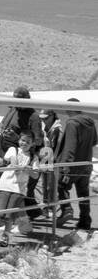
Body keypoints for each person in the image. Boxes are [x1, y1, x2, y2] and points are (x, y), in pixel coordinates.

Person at [0, 134, 39, 244]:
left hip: (19, 188)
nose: (24, 143)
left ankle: (5, 236)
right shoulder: (13, 150)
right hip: (6, 184)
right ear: (19, 140)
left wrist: (28, 170)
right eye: (23, 140)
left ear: (32, 144)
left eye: (28, 142)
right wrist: (25, 168)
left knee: (10, 214)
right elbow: (14, 165)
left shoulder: (33, 157)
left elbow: (36, 175)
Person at [57, 98, 96, 230]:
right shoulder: (90, 122)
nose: (66, 111)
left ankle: (67, 209)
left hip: (73, 165)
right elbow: (95, 141)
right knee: (83, 194)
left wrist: (66, 168)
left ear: (70, 108)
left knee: (61, 185)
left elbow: (70, 147)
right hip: (86, 164)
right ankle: (85, 221)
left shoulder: (72, 123)